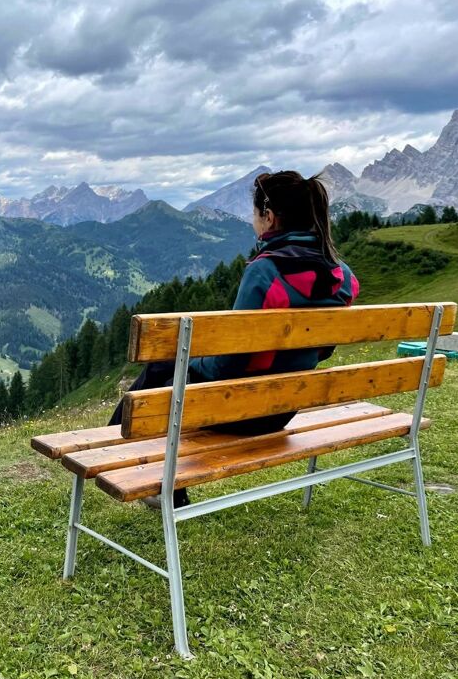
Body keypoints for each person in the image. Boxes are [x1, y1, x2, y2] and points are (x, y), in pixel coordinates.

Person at [107, 170, 360, 508]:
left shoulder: (264, 272)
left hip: (240, 409)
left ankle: (109, 449)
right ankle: (134, 462)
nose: (251, 219)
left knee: (164, 373)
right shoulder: (343, 277)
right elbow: (324, 350)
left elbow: (228, 364)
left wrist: (193, 363)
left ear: (268, 218)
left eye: (255, 214)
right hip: (284, 407)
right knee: (165, 370)